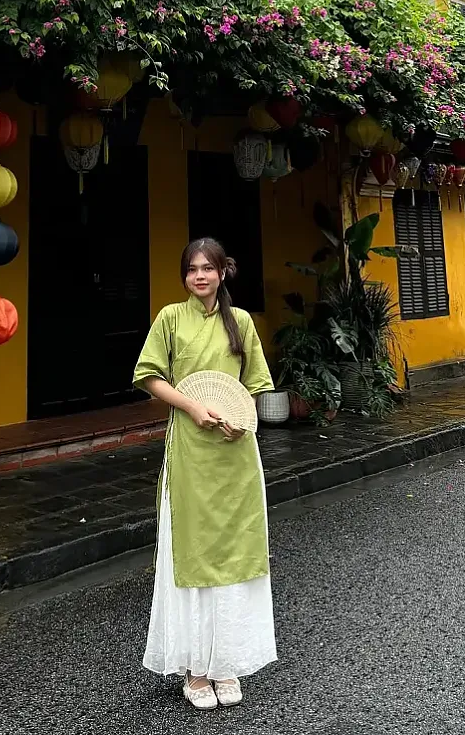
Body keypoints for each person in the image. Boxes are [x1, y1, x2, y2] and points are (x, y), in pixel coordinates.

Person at [133, 237, 277, 710]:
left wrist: (240, 416)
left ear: (221, 273)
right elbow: (149, 375)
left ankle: (226, 663)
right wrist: (192, 406)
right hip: (191, 452)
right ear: (184, 276)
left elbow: (255, 383)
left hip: (235, 453)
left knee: (235, 554)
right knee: (192, 555)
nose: (200, 276)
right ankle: (196, 669)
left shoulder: (242, 322)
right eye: (192, 269)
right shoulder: (170, 319)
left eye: (208, 268)